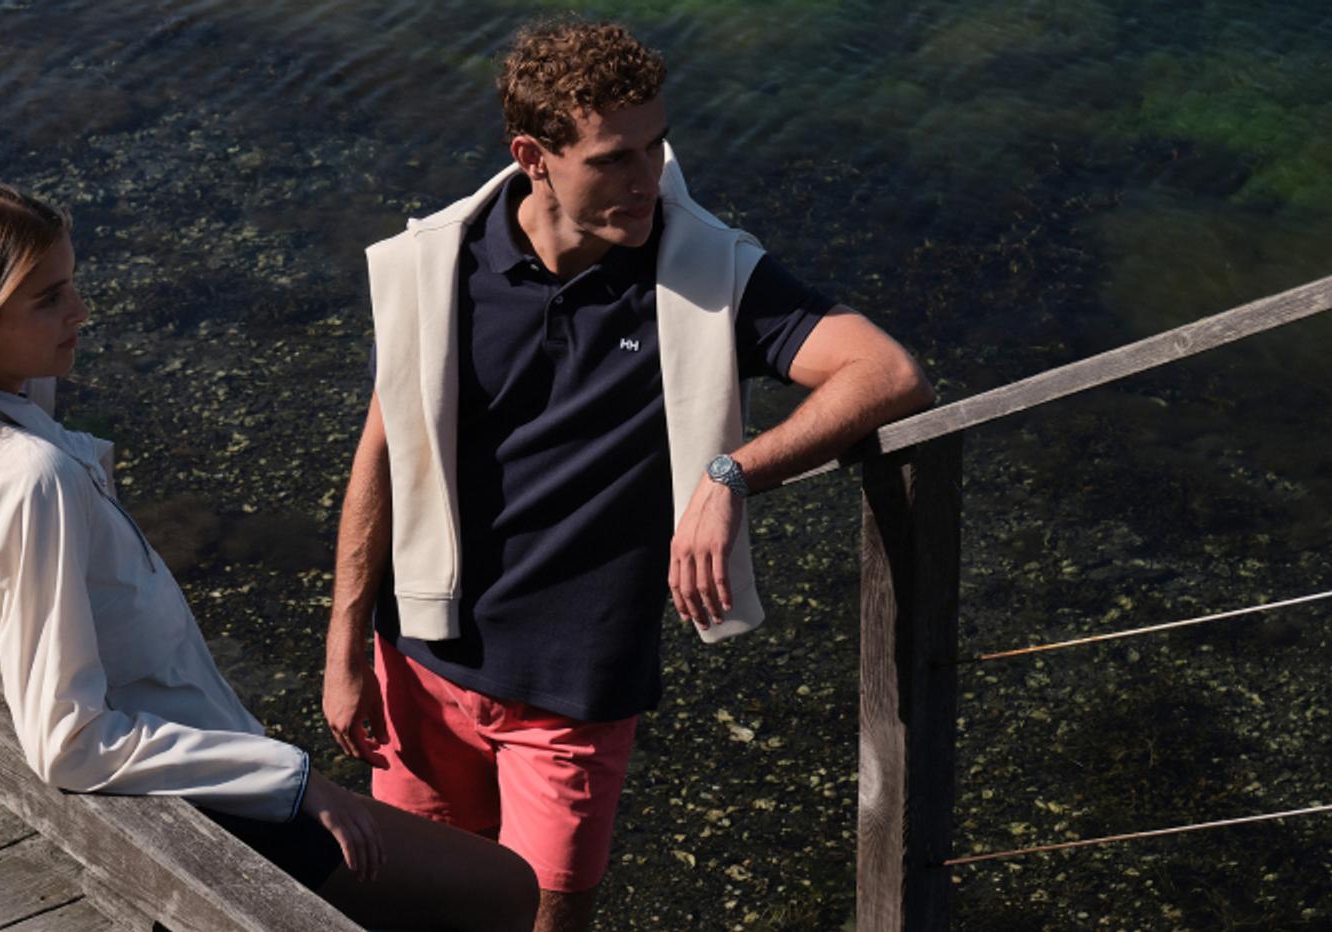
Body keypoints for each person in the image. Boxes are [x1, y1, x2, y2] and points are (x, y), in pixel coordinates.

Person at [322, 18, 936, 932]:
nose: (647, 180)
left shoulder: (705, 272)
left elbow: (887, 374)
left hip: (574, 689)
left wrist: (730, 473)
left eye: (655, 147)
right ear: (533, 156)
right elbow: (381, 454)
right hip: (421, 660)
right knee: (410, 906)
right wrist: (344, 650)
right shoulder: (438, 264)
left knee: (548, 915)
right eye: (613, 159)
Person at [0, 180, 538, 932]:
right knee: (508, 889)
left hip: (197, 777)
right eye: (49, 299)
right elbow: (68, 744)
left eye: (72, 285)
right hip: (210, 808)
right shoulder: (33, 480)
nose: (80, 312)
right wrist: (293, 779)